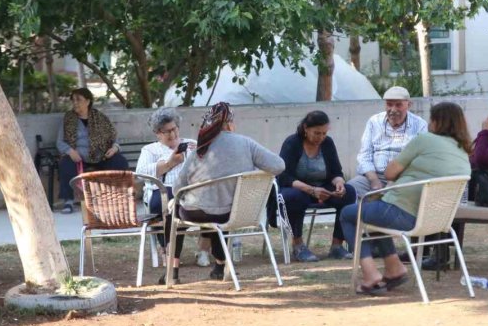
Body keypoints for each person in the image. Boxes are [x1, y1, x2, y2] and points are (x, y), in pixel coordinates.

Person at [340, 102, 472, 295]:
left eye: (431, 119)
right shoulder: (463, 151)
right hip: (436, 220)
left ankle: (370, 274)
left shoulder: (425, 140)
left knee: (349, 214)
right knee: (372, 211)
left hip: (402, 213)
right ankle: (394, 268)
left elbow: (390, 173)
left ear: (437, 121)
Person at [172, 102, 285, 280]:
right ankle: (219, 266)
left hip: (198, 214)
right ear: (230, 123)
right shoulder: (247, 144)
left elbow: (176, 189)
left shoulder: (200, 148)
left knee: (172, 212)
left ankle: (172, 272)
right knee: (221, 208)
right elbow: (278, 166)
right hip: (236, 213)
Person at [134, 108, 212, 284]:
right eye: (167, 131)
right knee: (173, 205)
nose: (172, 133)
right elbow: (140, 173)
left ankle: (202, 251)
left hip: (189, 190)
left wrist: (196, 157)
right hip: (161, 191)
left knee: (208, 200)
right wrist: (169, 163)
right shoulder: (150, 150)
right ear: (157, 133)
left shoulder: (191, 144)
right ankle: (170, 254)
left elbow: (208, 166)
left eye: (174, 128)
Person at [276, 111, 356, 263]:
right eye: (316, 133)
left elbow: (336, 172)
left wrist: (339, 183)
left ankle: (337, 246)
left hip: (322, 187)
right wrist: (311, 190)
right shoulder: (292, 143)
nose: (321, 137)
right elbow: (284, 176)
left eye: (324, 133)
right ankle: (298, 245)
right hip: (298, 188)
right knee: (294, 197)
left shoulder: (328, 143)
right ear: (306, 128)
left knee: (349, 192)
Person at [345, 86, 428, 200]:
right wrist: (374, 181)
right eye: (389, 104)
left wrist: (395, 180)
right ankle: (360, 216)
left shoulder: (420, 124)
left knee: (402, 195)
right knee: (349, 189)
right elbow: (364, 155)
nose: (393, 109)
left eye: (398, 105)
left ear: (409, 105)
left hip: (403, 178)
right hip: (374, 176)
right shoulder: (374, 121)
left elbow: (420, 160)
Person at [55, 87, 129, 214]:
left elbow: (114, 138)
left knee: (119, 161)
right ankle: (68, 201)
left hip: (101, 156)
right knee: (65, 164)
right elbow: (60, 142)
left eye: (78, 100)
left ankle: (118, 198)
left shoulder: (100, 118)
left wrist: (114, 148)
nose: (75, 103)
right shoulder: (68, 119)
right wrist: (70, 151)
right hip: (78, 158)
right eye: (73, 100)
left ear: (88, 101)